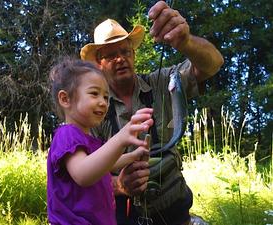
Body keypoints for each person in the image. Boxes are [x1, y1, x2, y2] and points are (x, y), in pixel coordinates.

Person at [80, 1, 224, 225]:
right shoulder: (91, 110)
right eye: (111, 55)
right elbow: (80, 176)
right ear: (99, 63)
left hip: (176, 211)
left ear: (134, 55)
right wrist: (119, 186)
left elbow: (213, 64)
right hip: (122, 217)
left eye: (125, 51)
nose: (121, 59)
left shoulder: (165, 81)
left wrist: (185, 42)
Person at [46, 57, 154, 225]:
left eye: (106, 97)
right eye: (94, 94)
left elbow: (105, 165)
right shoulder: (66, 135)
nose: (103, 103)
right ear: (65, 99)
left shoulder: (87, 139)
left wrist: (133, 155)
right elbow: (83, 174)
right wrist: (121, 138)